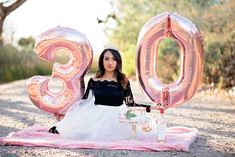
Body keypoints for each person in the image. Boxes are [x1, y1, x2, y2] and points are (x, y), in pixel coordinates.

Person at [49, 46, 158, 141]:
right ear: (102, 61)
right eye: (106, 59)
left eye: (114, 59)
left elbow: (130, 104)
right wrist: (66, 116)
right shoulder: (94, 80)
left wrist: (154, 108)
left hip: (118, 117)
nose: (110, 62)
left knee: (139, 132)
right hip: (96, 117)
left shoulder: (123, 80)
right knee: (76, 133)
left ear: (118, 62)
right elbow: (84, 102)